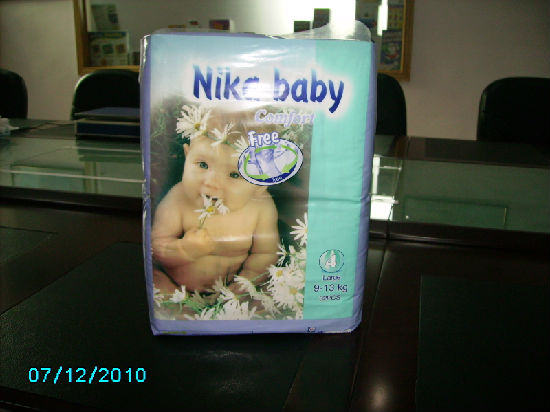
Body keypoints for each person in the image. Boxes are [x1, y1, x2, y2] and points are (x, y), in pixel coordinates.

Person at [151, 107, 279, 296]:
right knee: (157, 282)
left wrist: (249, 280)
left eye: (234, 174)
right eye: (203, 165)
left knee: (263, 296)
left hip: (231, 295)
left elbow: (266, 254)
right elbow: (156, 246)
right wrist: (183, 250)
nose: (211, 182)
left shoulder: (262, 207)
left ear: (260, 185)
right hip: (176, 288)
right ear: (187, 155)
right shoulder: (178, 198)